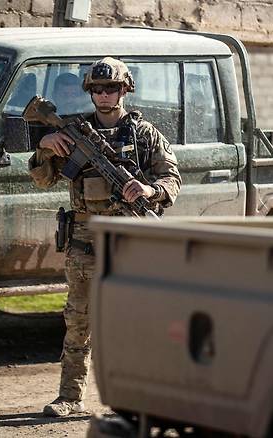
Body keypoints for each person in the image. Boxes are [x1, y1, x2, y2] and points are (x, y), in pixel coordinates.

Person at [28, 57, 182, 417]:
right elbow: (44, 178)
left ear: (125, 89)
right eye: (96, 89)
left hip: (130, 241)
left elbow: (173, 180)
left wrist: (148, 188)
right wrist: (44, 147)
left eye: (110, 88)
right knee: (78, 321)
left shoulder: (144, 135)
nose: (103, 95)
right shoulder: (72, 133)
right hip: (84, 240)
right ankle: (70, 397)